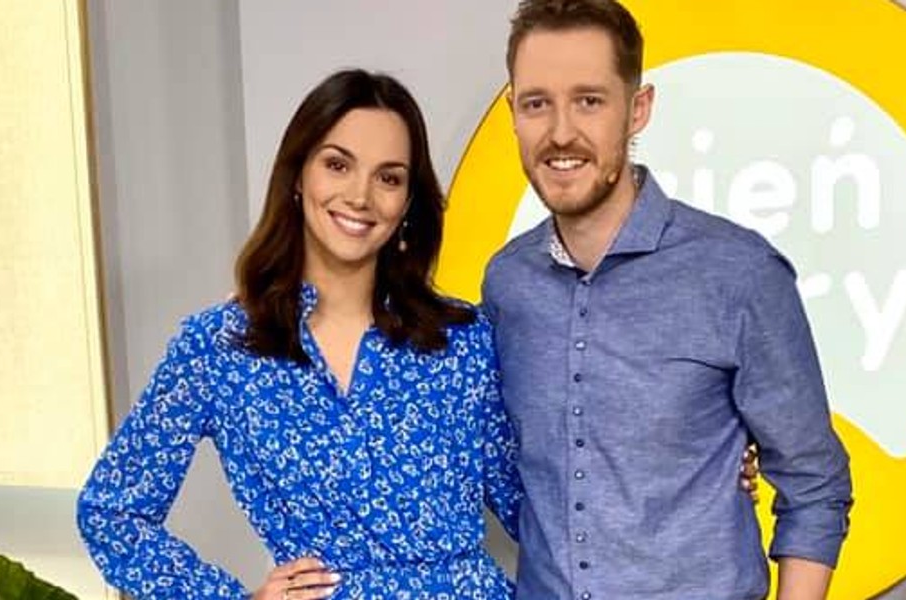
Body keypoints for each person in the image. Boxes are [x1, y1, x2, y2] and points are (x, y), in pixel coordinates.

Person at [76, 69, 524, 599]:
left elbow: (535, 512)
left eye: (389, 178)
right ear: (298, 176)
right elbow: (111, 511)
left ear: (408, 201)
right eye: (338, 165)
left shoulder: (462, 340)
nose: (360, 195)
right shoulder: (220, 347)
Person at [479, 1, 855, 599]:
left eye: (589, 101)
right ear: (513, 113)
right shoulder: (507, 284)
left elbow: (815, 484)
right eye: (537, 103)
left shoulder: (738, 272)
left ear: (638, 109)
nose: (561, 132)